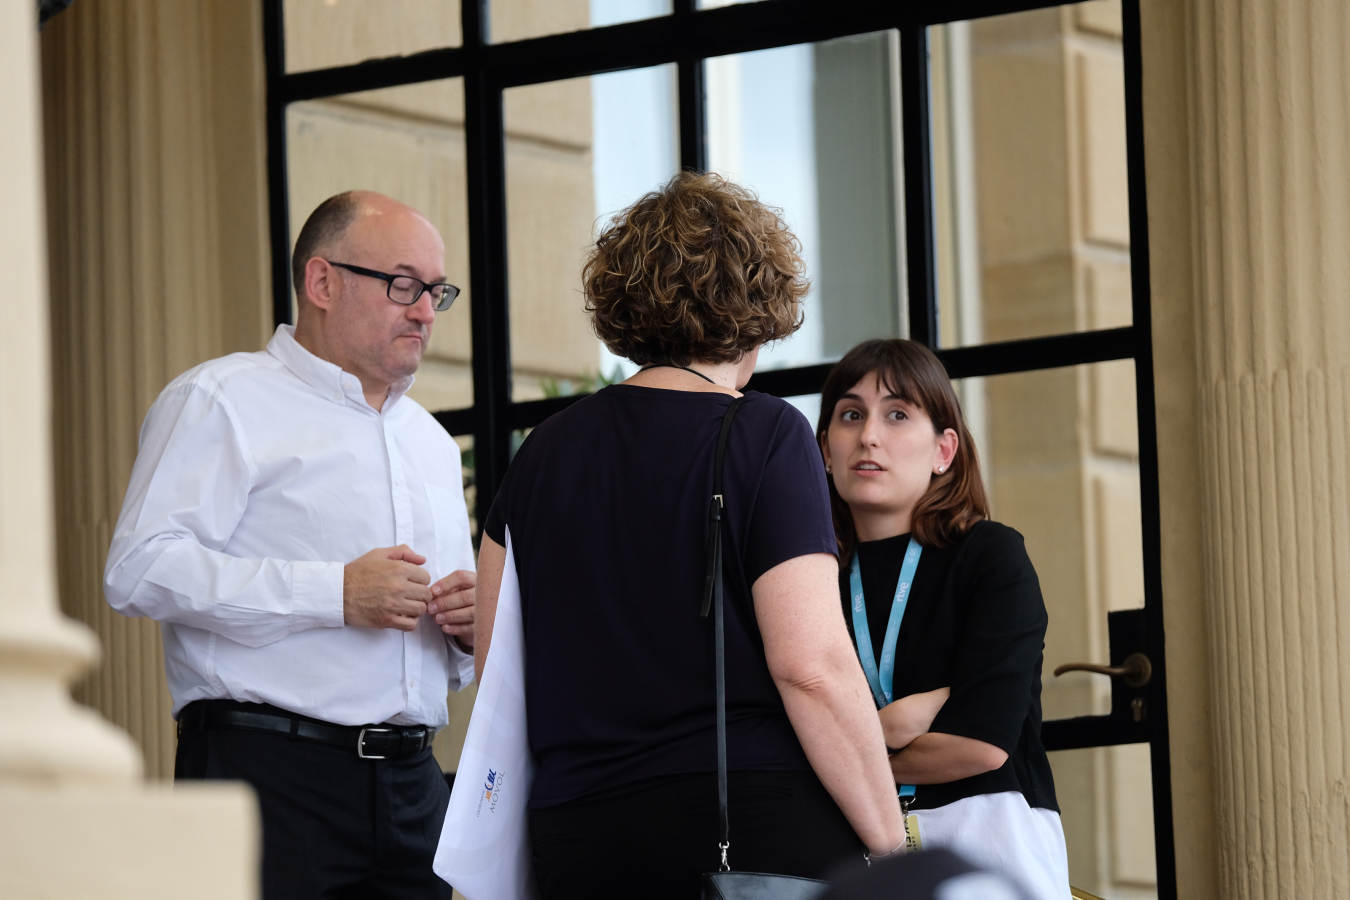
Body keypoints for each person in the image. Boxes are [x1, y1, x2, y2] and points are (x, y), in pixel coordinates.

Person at [462, 172, 905, 898]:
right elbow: (812, 666)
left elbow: (496, 670)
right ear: (757, 302)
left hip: (578, 835)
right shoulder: (764, 433)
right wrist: (892, 846)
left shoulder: (540, 452)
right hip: (746, 834)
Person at [105, 190, 477, 899]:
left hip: (414, 787)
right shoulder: (221, 401)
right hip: (270, 777)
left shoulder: (428, 442)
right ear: (322, 282)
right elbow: (138, 568)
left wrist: (465, 633)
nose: (426, 311)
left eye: (436, 291)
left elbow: (431, 655)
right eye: (404, 285)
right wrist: (333, 593)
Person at [816, 338, 1072, 899]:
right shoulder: (811, 583)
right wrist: (902, 720)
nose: (869, 436)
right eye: (851, 414)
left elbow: (981, 745)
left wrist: (849, 751)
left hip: (985, 845)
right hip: (852, 853)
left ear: (944, 450)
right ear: (825, 450)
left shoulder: (989, 555)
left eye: (898, 414)